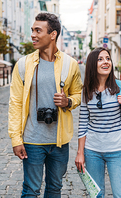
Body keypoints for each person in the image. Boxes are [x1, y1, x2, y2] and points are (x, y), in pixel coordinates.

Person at [8, 12, 83, 197]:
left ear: (53, 34)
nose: (33, 34)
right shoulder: (23, 64)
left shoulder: (70, 64)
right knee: (31, 190)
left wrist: (68, 102)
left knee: (55, 189)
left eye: (38, 30)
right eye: (32, 30)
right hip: (32, 140)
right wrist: (16, 139)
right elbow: (15, 103)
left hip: (59, 142)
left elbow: (78, 94)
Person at [75, 47, 121, 198]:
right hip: (92, 150)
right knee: (96, 195)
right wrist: (80, 153)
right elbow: (83, 123)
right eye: (100, 59)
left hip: (117, 150)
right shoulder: (86, 91)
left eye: (108, 58)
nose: (106, 62)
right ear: (92, 65)